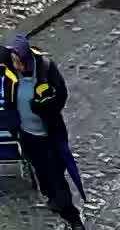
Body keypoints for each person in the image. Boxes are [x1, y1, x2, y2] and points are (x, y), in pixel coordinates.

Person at [3, 34, 85, 228]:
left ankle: (73, 218)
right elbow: (10, 102)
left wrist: (43, 106)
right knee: (43, 176)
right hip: (27, 137)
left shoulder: (45, 69)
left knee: (57, 177)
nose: (17, 66)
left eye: (19, 62)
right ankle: (53, 199)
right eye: (14, 62)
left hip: (48, 137)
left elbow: (61, 95)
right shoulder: (12, 73)